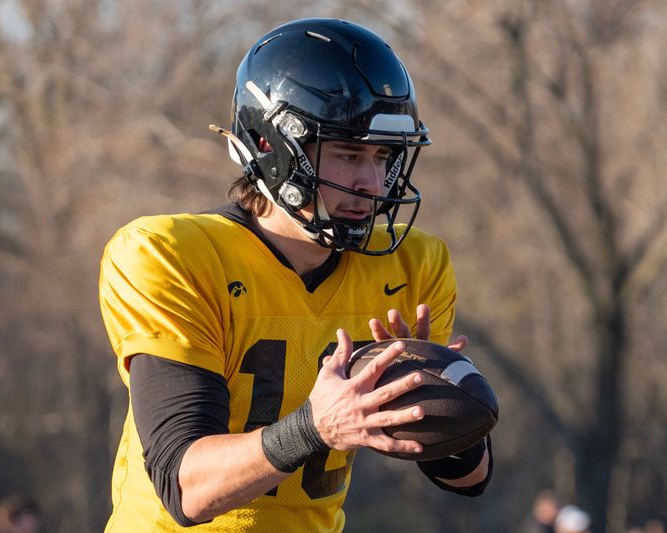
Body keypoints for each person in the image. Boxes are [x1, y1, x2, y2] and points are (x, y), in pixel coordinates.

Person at [99, 17, 493, 532]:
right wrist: (316, 426)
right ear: (272, 148)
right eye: (350, 154)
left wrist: (437, 410)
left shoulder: (411, 267)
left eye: (383, 156)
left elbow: (470, 479)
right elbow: (184, 486)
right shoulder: (171, 256)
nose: (372, 182)